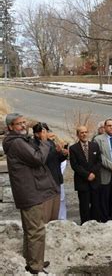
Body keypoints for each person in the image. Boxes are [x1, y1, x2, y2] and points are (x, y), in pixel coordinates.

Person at [2, 113, 58, 274]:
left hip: (28, 191)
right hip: (30, 192)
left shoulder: (17, 141)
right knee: (36, 230)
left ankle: (32, 260)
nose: (23, 125)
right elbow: (38, 158)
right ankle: (35, 266)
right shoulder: (17, 143)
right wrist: (44, 142)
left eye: (24, 122)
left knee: (31, 229)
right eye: (19, 123)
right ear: (10, 127)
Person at [32, 122, 68, 222]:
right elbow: (41, 160)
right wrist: (53, 150)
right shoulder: (34, 145)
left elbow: (56, 160)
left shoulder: (50, 142)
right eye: (42, 131)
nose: (45, 133)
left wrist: (63, 154)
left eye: (46, 131)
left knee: (55, 213)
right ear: (36, 134)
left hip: (56, 180)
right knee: (45, 215)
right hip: (45, 183)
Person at [69, 126, 102, 224]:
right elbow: (75, 165)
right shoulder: (73, 148)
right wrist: (87, 175)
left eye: (86, 132)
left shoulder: (95, 146)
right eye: (82, 132)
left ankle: (95, 224)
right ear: (78, 134)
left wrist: (92, 173)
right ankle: (85, 225)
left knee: (96, 205)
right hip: (82, 182)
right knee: (84, 206)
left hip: (95, 180)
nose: (84, 134)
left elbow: (98, 162)